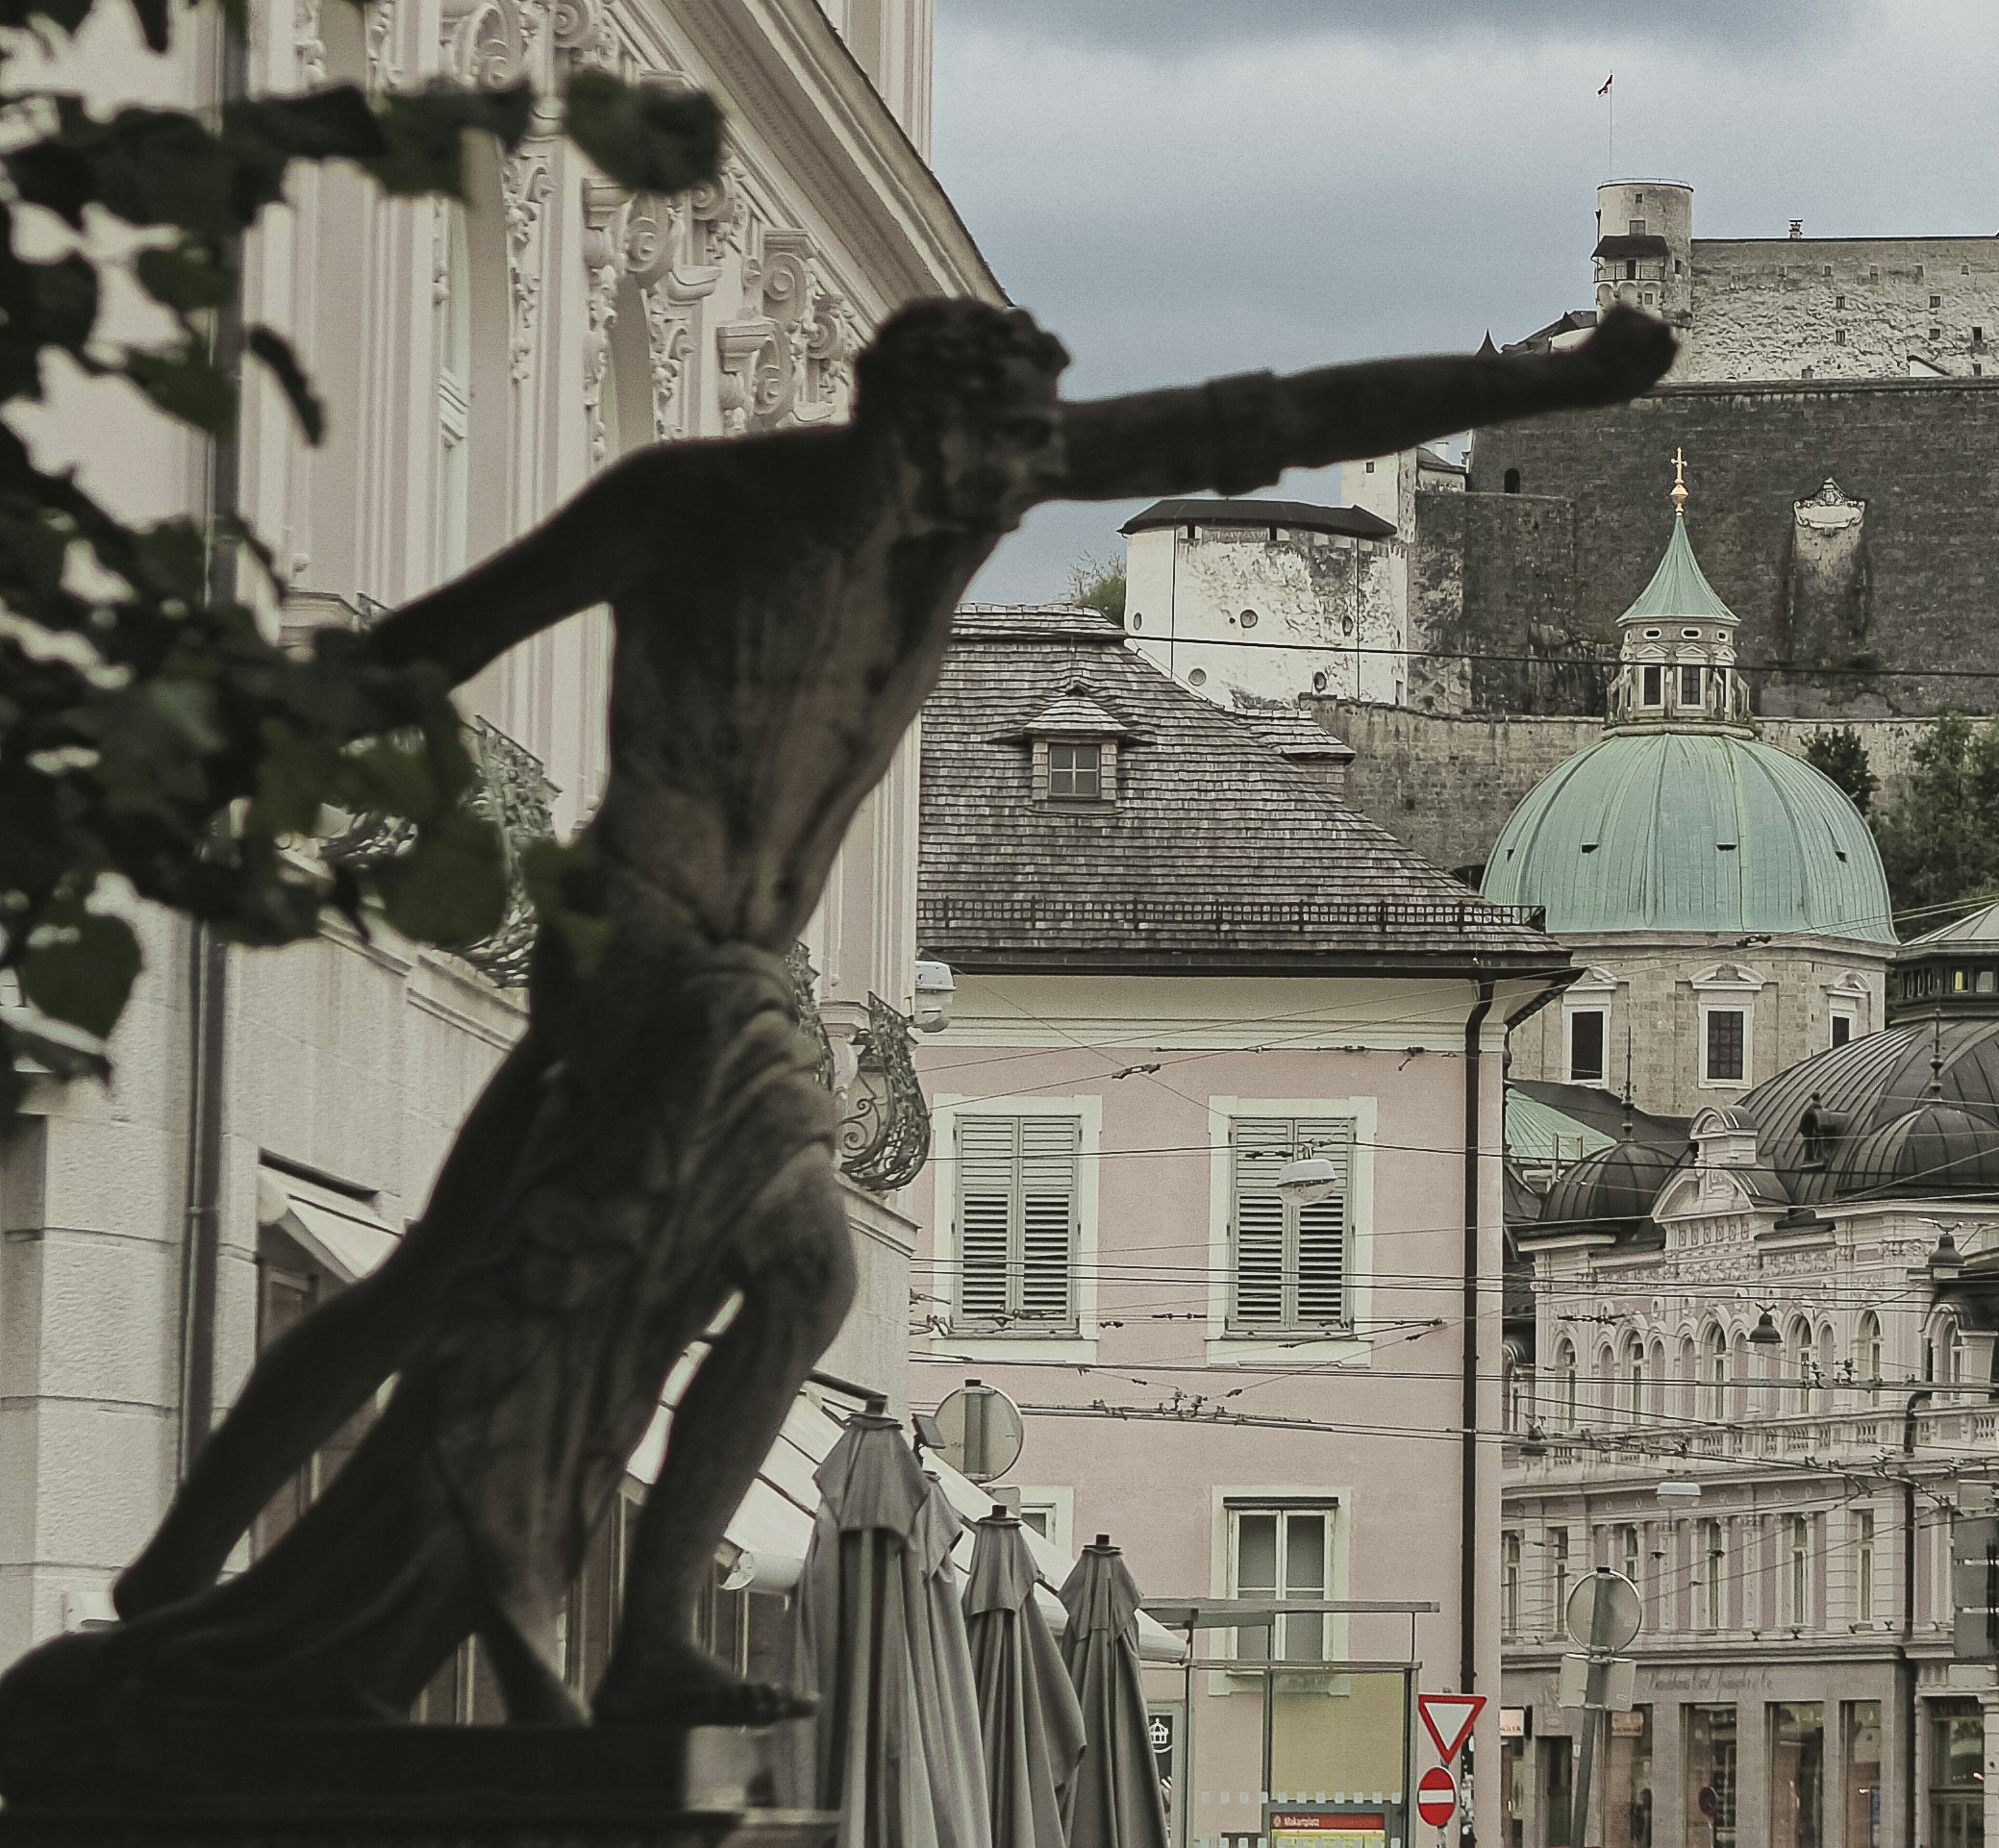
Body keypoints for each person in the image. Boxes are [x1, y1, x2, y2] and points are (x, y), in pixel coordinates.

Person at [0, 301, 1673, 1757]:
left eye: (1028, 457)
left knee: (495, 1272)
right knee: (662, 1276)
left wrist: (1535, 385)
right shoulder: (695, 500)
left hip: (741, 969)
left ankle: (479, 1614)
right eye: (991, 453)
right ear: (910, 421)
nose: (1011, 490)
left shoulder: (962, 492)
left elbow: (1277, 419)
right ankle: (442, 1611)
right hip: (644, 940)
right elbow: (445, 639)